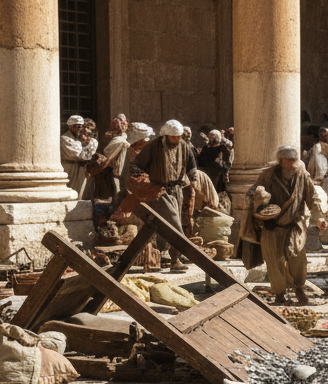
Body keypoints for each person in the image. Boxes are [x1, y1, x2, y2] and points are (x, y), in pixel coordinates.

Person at [245, 145, 327, 305]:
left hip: (294, 225)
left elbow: (313, 199)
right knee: (274, 262)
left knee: (298, 259)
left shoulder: (302, 177)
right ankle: (279, 294)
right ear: (281, 161)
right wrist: (259, 194)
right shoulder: (267, 175)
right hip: (271, 225)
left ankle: (298, 288)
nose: (291, 164)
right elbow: (253, 190)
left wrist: (319, 219)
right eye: (288, 160)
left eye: (293, 160)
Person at [130, 119, 198, 269]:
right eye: (174, 137)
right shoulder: (153, 146)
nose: (177, 140)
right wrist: (145, 182)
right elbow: (136, 166)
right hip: (157, 190)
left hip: (176, 189)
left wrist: (193, 181)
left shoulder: (184, 147)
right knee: (162, 224)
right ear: (165, 136)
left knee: (175, 222)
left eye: (179, 137)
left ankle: (175, 258)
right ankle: (162, 256)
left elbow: (192, 167)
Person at [82, 113, 131, 202]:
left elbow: (107, 159)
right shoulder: (111, 139)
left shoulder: (119, 142)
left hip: (109, 173)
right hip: (106, 172)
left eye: (114, 128)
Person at [60, 114, 97, 197]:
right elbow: (79, 154)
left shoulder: (79, 138)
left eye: (81, 126)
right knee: (71, 193)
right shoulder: (65, 138)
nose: (80, 129)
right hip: (70, 169)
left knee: (82, 193)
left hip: (81, 170)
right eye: (77, 126)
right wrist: (91, 143)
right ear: (70, 126)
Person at [196, 129, 233, 194]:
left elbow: (226, 163)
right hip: (208, 176)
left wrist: (225, 172)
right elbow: (201, 161)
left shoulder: (224, 149)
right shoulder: (206, 148)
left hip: (218, 178)